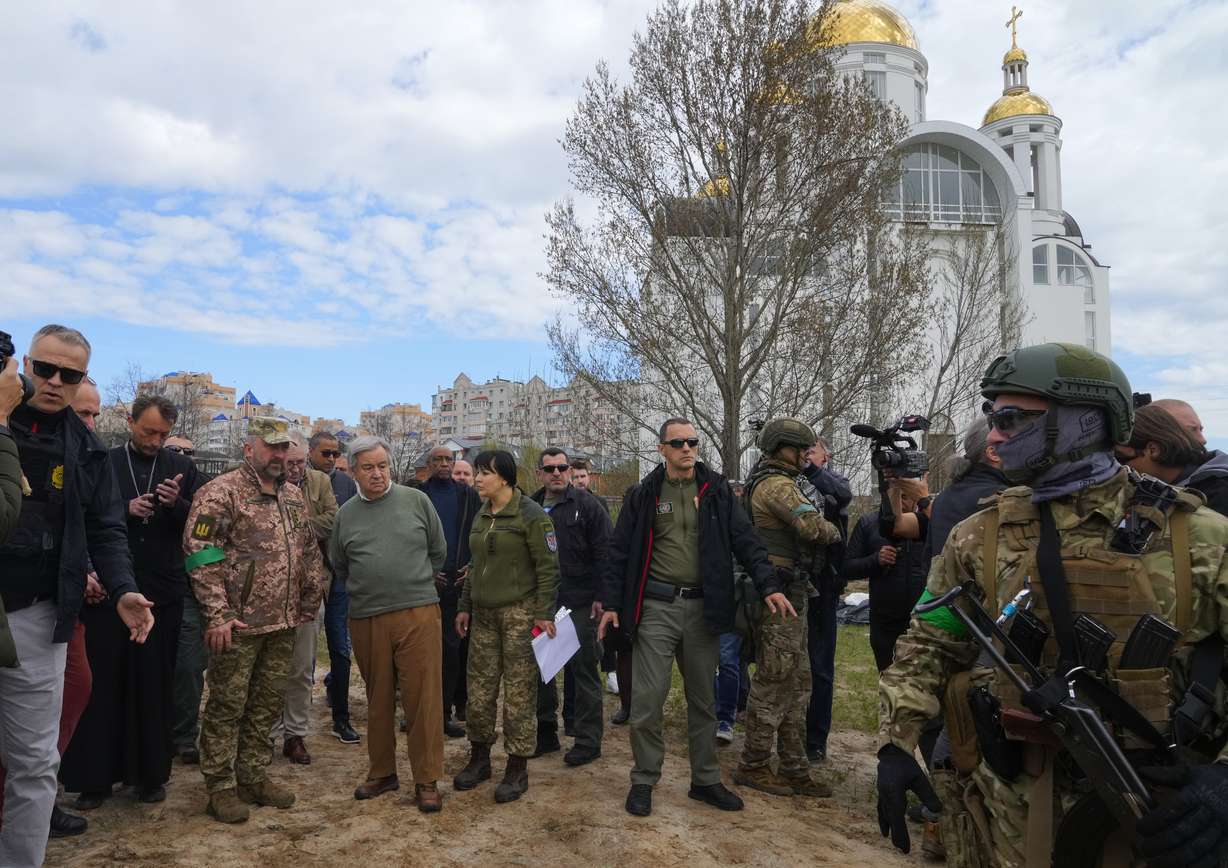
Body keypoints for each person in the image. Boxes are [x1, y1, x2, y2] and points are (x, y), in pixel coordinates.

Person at [877, 343, 1228, 868]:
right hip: (1011, 809)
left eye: (1012, 419)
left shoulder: (1200, 538)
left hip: (1158, 813)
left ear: (1086, 422)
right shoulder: (979, 534)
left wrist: (1223, 779)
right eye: (992, 417)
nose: (994, 436)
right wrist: (895, 742)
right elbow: (931, 641)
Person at [0, 324, 154, 867]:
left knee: (36, 761)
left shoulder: (87, 448)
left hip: (40, 614)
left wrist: (124, 589)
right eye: (45, 369)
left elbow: (106, 529)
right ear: (26, 366)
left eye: (70, 375)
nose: (55, 382)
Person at [597, 418, 796, 818]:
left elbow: (746, 540)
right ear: (662, 449)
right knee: (647, 701)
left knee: (704, 701)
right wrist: (612, 603)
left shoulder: (716, 490)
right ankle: (644, 778)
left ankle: (704, 780)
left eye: (692, 442)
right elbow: (619, 551)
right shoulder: (644, 494)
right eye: (678, 443)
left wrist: (768, 585)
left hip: (704, 609)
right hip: (656, 607)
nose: (687, 448)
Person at [182, 416, 328, 824]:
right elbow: (200, 553)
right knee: (227, 705)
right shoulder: (221, 493)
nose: (279, 455)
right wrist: (217, 614)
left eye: (284, 448)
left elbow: (307, 549)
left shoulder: (293, 496)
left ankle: (252, 775)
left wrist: (310, 597)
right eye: (271, 447)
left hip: (283, 622)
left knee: (266, 704)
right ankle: (220, 786)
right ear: (249, 449)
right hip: (237, 625)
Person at [61, 394, 202, 809]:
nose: (155, 441)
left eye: (162, 434)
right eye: (148, 431)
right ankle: (96, 779)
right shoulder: (104, 461)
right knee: (103, 686)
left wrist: (176, 505)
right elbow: (85, 520)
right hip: (109, 592)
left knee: (154, 685)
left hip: (161, 592)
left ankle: (150, 775)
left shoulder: (182, 467)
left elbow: (202, 528)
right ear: (130, 421)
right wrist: (124, 508)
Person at [0, 371, 99, 840]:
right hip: (22, 603)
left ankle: (37, 806)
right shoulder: (14, 434)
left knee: (43, 741)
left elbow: (91, 526)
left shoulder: (86, 452)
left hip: (54, 607)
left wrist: (108, 580)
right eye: (84, 415)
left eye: (94, 414)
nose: (89, 424)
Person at [330, 437, 448, 812]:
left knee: (422, 697)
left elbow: (438, 551)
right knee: (377, 697)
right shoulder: (345, 515)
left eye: (383, 466)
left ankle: (426, 779)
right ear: (353, 471)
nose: (378, 474)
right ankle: (382, 772)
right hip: (367, 617)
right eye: (369, 468)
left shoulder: (417, 501)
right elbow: (340, 564)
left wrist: (410, 582)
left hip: (417, 612)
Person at [734, 419, 841, 798]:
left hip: (791, 592)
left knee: (798, 682)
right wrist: (833, 529)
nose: (807, 457)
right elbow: (814, 528)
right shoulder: (777, 485)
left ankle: (794, 766)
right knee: (774, 679)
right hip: (778, 596)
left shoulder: (775, 480)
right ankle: (754, 763)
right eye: (802, 450)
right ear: (784, 449)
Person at [453, 450, 559, 804]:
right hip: (483, 616)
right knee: (480, 691)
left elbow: (548, 568)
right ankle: (479, 758)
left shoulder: (531, 515)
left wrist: (543, 613)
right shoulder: (482, 513)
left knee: (519, 694)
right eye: (477, 472)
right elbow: (475, 563)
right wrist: (465, 605)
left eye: (485, 473)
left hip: (519, 615)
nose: (478, 479)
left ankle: (517, 767)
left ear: (504, 478)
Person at [531, 447, 613, 766]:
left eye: (562, 467)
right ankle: (546, 733)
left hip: (580, 602)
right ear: (539, 473)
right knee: (543, 669)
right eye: (550, 468)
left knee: (583, 672)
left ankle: (588, 740)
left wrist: (602, 597)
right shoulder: (531, 506)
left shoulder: (588, 506)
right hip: (543, 602)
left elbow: (605, 553)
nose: (557, 473)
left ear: (569, 470)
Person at [271, 440, 338, 764]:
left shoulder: (320, 482)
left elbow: (333, 521)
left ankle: (295, 734)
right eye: (291, 463)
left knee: (301, 667)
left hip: (309, 590)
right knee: (271, 669)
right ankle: (266, 733)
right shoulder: (264, 486)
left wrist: (297, 525)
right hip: (269, 594)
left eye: (301, 462)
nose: (296, 468)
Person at [410, 446, 480, 739]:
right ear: (428, 464)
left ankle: (444, 713)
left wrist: (471, 565)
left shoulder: (467, 496)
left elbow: (479, 532)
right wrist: (425, 568)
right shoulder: (416, 495)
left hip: (455, 585)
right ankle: (416, 714)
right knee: (418, 652)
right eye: (437, 459)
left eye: (448, 459)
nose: (443, 464)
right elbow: (408, 537)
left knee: (451, 652)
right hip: (420, 585)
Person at [843, 481, 930, 673]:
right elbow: (847, 568)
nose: (899, 502)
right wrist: (876, 560)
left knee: (923, 678)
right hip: (885, 619)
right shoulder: (869, 523)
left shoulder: (928, 524)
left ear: (915, 499)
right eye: (895, 497)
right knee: (888, 676)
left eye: (905, 497)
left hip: (922, 618)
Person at [309, 431, 360, 745]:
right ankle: (297, 723)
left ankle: (341, 717)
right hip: (309, 575)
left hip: (340, 575)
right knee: (306, 651)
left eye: (335, 453)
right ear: (311, 452)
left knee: (341, 648)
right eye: (325, 453)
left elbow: (346, 523)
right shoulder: (299, 481)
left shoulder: (345, 484)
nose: (330, 458)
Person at [801, 438, 850, 763]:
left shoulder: (835, 482)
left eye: (811, 450)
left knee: (820, 666)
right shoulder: (783, 481)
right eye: (801, 450)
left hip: (823, 585)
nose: (805, 455)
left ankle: (816, 739)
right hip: (790, 582)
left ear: (825, 455)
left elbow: (842, 495)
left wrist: (811, 470)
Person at [169, 435, 211, 765]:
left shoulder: (207, 489)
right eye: (175, 450)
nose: (183, 456)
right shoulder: (135, 474)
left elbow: (208, 542)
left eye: (189, 451)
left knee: (188, 666)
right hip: (142, 588)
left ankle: (183, 734)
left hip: (188, 588)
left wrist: (178, 505)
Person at [1118, 402, 1228, 516]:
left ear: (1153, 450)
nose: (1117, 466)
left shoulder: (1219, 493)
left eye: (1121, 457)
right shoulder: (1165, 491)